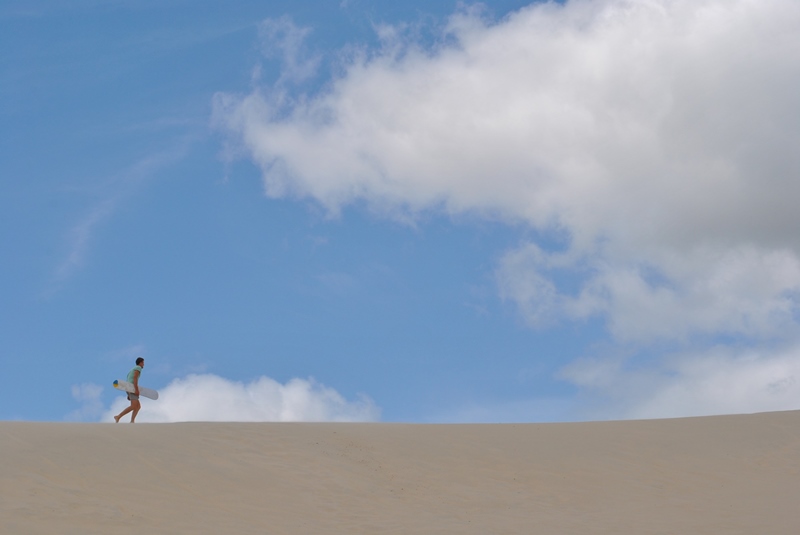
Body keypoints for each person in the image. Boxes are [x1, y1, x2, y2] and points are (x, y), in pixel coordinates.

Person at [114, 357, 145, 423]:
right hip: (132, 388)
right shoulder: (138, 368)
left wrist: (128, 392)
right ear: (140, 363)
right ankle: (118, 416)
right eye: (143, 362)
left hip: (129, 388)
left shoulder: (132, 369)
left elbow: (128, 379)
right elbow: (135, 378)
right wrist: (136, 390)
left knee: (138, 406)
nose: (143, 364)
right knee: (133, 406)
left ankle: (132, 421)